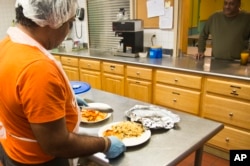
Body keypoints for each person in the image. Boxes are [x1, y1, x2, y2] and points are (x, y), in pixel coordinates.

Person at [0, 0, 126, 166]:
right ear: (52, 20)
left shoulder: (8, 45)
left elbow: (24, 103)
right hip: (38, 160)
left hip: (13, 149)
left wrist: (67, 102)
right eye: (70, 23)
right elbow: (57, 144)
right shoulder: (38, 69)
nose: (68, 31)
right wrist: (105, 144)